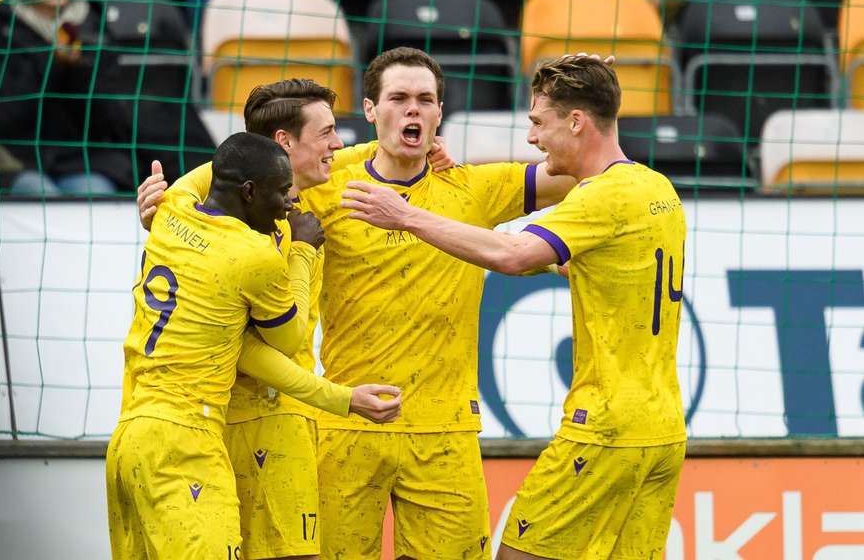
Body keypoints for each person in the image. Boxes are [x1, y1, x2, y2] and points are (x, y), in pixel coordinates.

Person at [342, 55, 687, 559]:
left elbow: (511, 254)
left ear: (575, 121)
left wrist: (406, 216)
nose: (531, 137)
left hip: (604, 425)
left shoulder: (599, 199)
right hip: (664, 430)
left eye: (537, 122)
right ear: (373, 109)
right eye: (399, 99)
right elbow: (587, 263)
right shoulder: (658, 190)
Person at [136, 77, 451, 560]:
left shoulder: (202, 203)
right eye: (326, 132)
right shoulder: (261, 238)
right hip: (265, 415)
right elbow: (274, 344)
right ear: (284, 143)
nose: (337, 145)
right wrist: (341, 398)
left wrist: (422, 145)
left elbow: (224, 171)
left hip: (200, 420)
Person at [107, 132, 402, 559]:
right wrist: (301, 250)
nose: (289, 203)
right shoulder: (253, 255)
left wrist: (378, 148)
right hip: (186, 440)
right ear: (249, 191)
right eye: (282, 191)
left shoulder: (174, 208)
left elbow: (223, 163)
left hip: (130, 435)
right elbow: (287, 340)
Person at [0, 0, 133, 194]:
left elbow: (111, 121)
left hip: (81, 160)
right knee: (39, 192)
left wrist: (79, 70)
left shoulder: (95, 29)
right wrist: (51, 65)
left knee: (96, 190)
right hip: (14, 159)